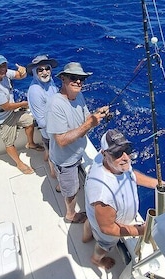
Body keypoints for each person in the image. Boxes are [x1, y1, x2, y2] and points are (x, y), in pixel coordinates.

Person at [82, 129, 165, 270]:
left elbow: (131, 174)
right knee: (104, 245)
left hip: (96, 216)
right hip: (107, 228)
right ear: (104, 154)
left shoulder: (111, 162)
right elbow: (108, 228)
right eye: (117, 153)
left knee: (91, 221)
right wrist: (141, 230)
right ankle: (96, 260)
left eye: (127, 149)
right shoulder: (103, 195)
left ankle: (85, 237)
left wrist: (157, 184)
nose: (126, 157)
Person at [46, 62, 109, 223]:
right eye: (73, 78)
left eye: (82, 79)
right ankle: (70, 215)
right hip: (66, 160)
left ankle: (62, 185)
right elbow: (60, 140)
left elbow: (86, 119)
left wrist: (97, 115)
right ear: (63, 79)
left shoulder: (78, 96)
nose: (79, 81)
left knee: (66, 183)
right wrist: (89, 124)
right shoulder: (56, 104)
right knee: (72, 190)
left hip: (76, 153)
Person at [0, 54, 44, 175]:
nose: (3, 68)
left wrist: (23, 72)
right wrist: (24, 104)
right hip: (0, 120)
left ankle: (31, 144)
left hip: (11, 113)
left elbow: (19, 76)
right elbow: (6, 106)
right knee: (9, 143)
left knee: (29, 121)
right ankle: (19, 164)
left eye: (4, 65)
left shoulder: (4, 73)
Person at [26, 55, 60, 191]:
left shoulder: (50, 83)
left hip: (52, 129)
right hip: (50, 131)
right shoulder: (35, 91)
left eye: (47, 69)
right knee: (54, 155)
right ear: (35, 72)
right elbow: (42, 121)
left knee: (48, 149)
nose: (45, 72)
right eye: (40, 70)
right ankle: (53, 173)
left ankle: (46, 157)